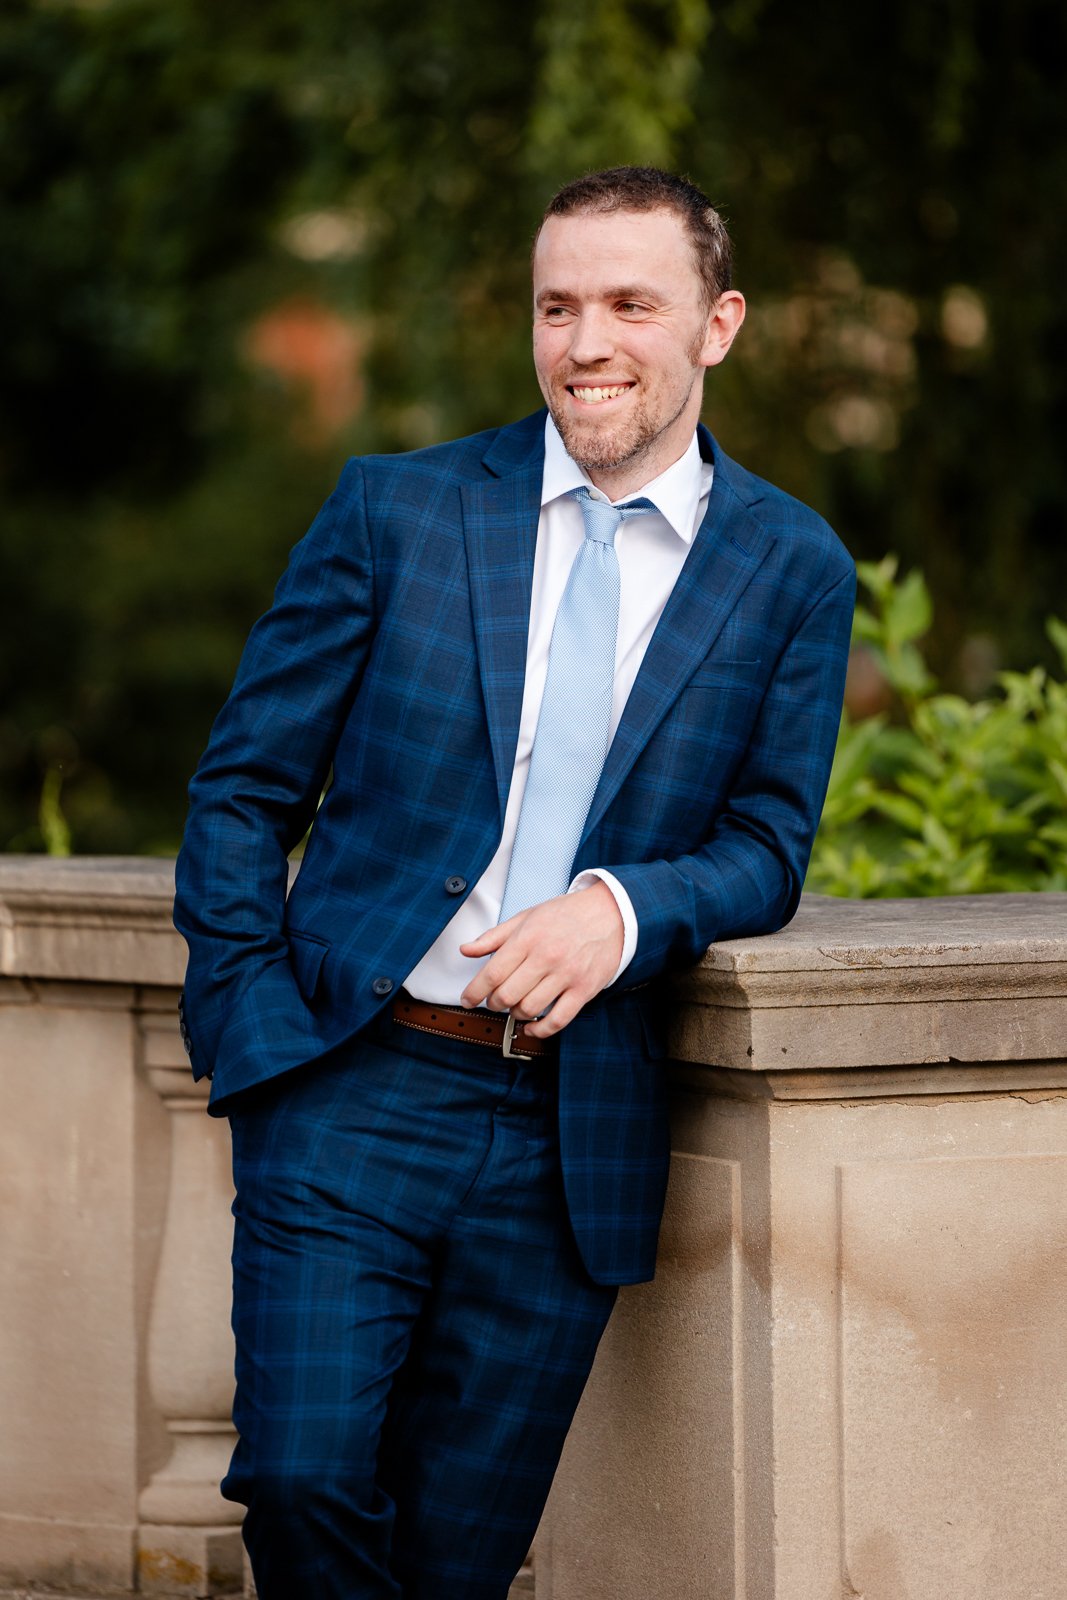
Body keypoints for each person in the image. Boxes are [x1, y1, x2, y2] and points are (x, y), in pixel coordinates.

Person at [173, 164, 855, 1599]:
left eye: (629, 304)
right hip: (351, 1082)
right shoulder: (399, 512)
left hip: (570, 1133)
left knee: (458, 1556)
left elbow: (766, 845)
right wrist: (245, 1026)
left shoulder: (792, 565)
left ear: (716, 325)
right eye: (558, 306)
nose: (587, 342)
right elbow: (244, 788)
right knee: (298, 1484)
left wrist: (621, 909)